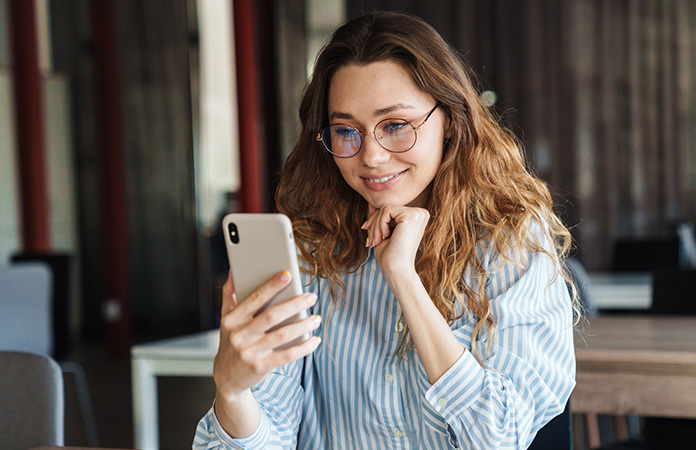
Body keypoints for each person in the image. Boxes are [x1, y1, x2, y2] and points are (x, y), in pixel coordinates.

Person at [194, 11, 576, 450]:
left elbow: (499, 437)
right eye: (345, 130)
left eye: (395, 126)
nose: (371, 156)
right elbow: (265, 436)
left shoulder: (510, 241)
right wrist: (233, 391)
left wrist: (405, 281)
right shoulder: (307, 250)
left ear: (449, 118)